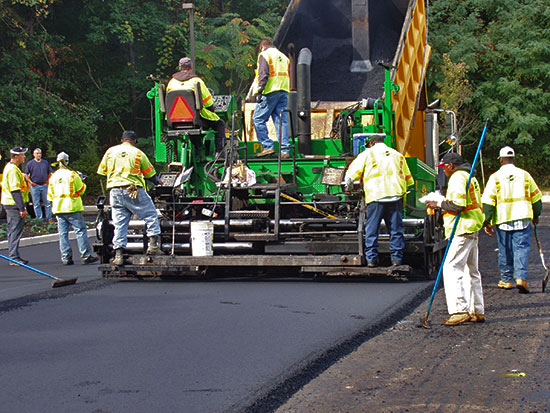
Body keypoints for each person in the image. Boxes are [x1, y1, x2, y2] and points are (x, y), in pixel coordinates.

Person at [426, 152, 485, 326]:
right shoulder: (469, 176)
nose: (443, 171)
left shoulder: (458, 178)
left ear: (451, 165)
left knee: (452, 268)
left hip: (462, 229)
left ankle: (459, 310)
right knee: (471, 271)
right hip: (472, 227)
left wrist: (438, 204)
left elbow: (458, 205)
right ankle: (477, 310)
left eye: (444, 167)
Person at [344, 134, 414, 267]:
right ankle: (396, 259)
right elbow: (408, 180)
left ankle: (371, 259)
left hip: (376, 196)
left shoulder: (367, 154)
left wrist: (349, 187)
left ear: (371, 143)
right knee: (396, 229)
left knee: (372, 229)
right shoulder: (397, 155)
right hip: (395, 196)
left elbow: (350, 175)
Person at [481, 146, 542, 294]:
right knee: (521, 248)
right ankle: (520, 278)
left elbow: (488, 202)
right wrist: (536, 215)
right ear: (513, 159)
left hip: (503, 219)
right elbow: (536, 199)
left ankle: (506, 280)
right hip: (523, 216)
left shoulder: (495, 177)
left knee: (504, 249)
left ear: (501, 160)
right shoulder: (525, 175)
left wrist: (487, 221)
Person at [97, 130, 162, 265]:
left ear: (122, 140)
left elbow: (102, 171)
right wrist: (158, 182)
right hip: (133, 190)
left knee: (119, 223)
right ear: (134, 141)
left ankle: (119, 254)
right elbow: (150, 174)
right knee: (150, 215)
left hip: (115, 191)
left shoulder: (110, 151)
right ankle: (153, 246)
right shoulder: (138, 153)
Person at [166, 57, 226, 154]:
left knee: (192, 129)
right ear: (191, 67)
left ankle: (197, 150)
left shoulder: (171, 83)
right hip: (196, 119)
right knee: (220, 124)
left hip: (173, 121)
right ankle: (220, 153)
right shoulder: (196, 81)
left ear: (179, 67)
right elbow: (208, 103)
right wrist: (212, 108)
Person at [48, 152, 98, 265]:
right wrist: (83, 182)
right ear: (66, 161)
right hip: (72, 207)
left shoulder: (53, 177)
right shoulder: (72, 175)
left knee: (62, 234)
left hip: (58, 208)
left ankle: (66, 258)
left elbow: (50, 195)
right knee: (80, 231)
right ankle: (85, 255)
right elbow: (81, 190)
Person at [252, 38, 291, 158]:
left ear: (262, 47)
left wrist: (259, 90)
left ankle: (267, 146)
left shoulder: (265, 55)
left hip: (270, 91)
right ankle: (285, 150)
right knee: (281, 121)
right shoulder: (284, 57)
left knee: (258, 119)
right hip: (283, 91)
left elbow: (263, 73)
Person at [1, 147, 30, 265]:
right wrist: (21, 208)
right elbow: (15, 191)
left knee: (14, 230)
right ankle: (13, 257)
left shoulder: (11, 167)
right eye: (22, 155)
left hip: (10, 204)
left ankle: (14, 256)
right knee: (15, 230)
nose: (24, 157)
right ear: (16, 156)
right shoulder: (12, 170)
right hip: (13, 205)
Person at [25, 147, 53, 222]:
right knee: (36, 203)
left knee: (47, 203)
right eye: (37, 153)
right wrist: (31, 182)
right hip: (34, 186)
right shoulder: (30, 163)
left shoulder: (45, 163)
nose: (39, 155)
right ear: (34, 154)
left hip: (44, 185)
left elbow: (50, 172)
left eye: (40, 153)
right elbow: (26, 174)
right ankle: (39, 218)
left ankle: (49, 218)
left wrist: (47, 181)